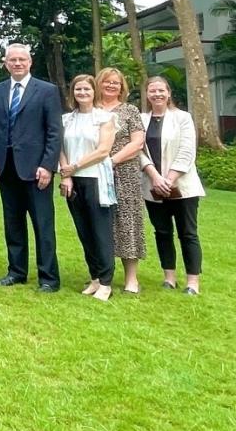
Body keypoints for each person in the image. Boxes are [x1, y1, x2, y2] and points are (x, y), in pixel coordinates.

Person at [0, 43, 62, 292]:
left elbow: (54, 132)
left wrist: (47, 166)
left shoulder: (47, 91)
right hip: (6, 169)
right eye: (12, 60)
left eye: (22, 59)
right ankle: (16, 271)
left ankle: (48, 278)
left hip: (37, 171)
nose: (17, 63)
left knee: (43, 226)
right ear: (5, 63)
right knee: (13, 224)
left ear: (30, 62)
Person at [139, 76, 204, 296]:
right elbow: (139, 151)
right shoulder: (142, 119)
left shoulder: (182, 118)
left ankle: (192, 281)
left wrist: (170, 178)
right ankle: (169, 277)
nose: (157, 94)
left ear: (168, 93)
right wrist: (155, 177)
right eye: (152, 91)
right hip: (152, 186)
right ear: (147, 94)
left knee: (188, 233)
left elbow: (187, 151)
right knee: (162, 232)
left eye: (161, 90)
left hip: (183, 188)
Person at [60, 75, 118, 302]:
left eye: (86, 89)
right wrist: (66, 172)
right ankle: (94, 277)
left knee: (100, 232)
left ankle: (106, 282)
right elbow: (60, 148)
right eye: (78, 89)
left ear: (95, 92)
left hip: (96, 179)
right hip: (73, 181)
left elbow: (103, 150)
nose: (82, 93)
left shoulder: (105, 118)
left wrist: (74, 166)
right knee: (84, 231)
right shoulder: (67, 119)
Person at [95, 67, 147, 294]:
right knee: (98, 223)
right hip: (93, 172)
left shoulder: (130, 110)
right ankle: (99, 275)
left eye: (115, 83)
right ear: (99, 84)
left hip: (124, 173)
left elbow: (137, 143)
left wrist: (111, 161)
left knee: (127, 222)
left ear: (122, 87)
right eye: (106, 82)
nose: (110, 86)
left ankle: (131, 278)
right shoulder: (91, 109)